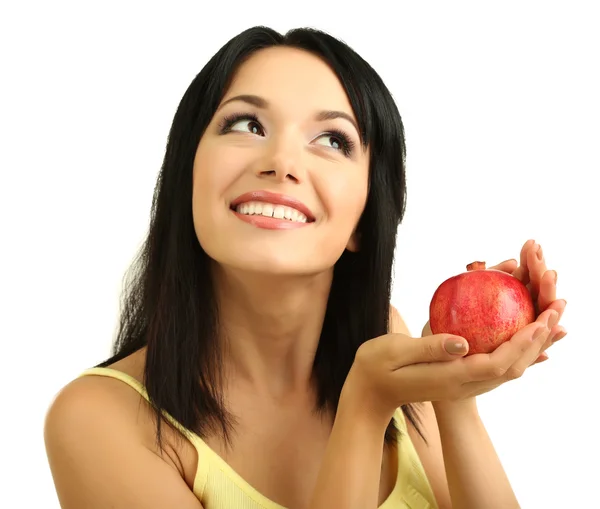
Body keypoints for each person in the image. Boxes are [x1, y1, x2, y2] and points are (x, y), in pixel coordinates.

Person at [43, 26, 567, 509]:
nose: (281, 162)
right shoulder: (95, 420)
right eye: (247, 124)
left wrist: (455, 395)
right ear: (188, 177)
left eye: (332, 140)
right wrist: (364, 409)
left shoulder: (386, 338)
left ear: (365, 219)